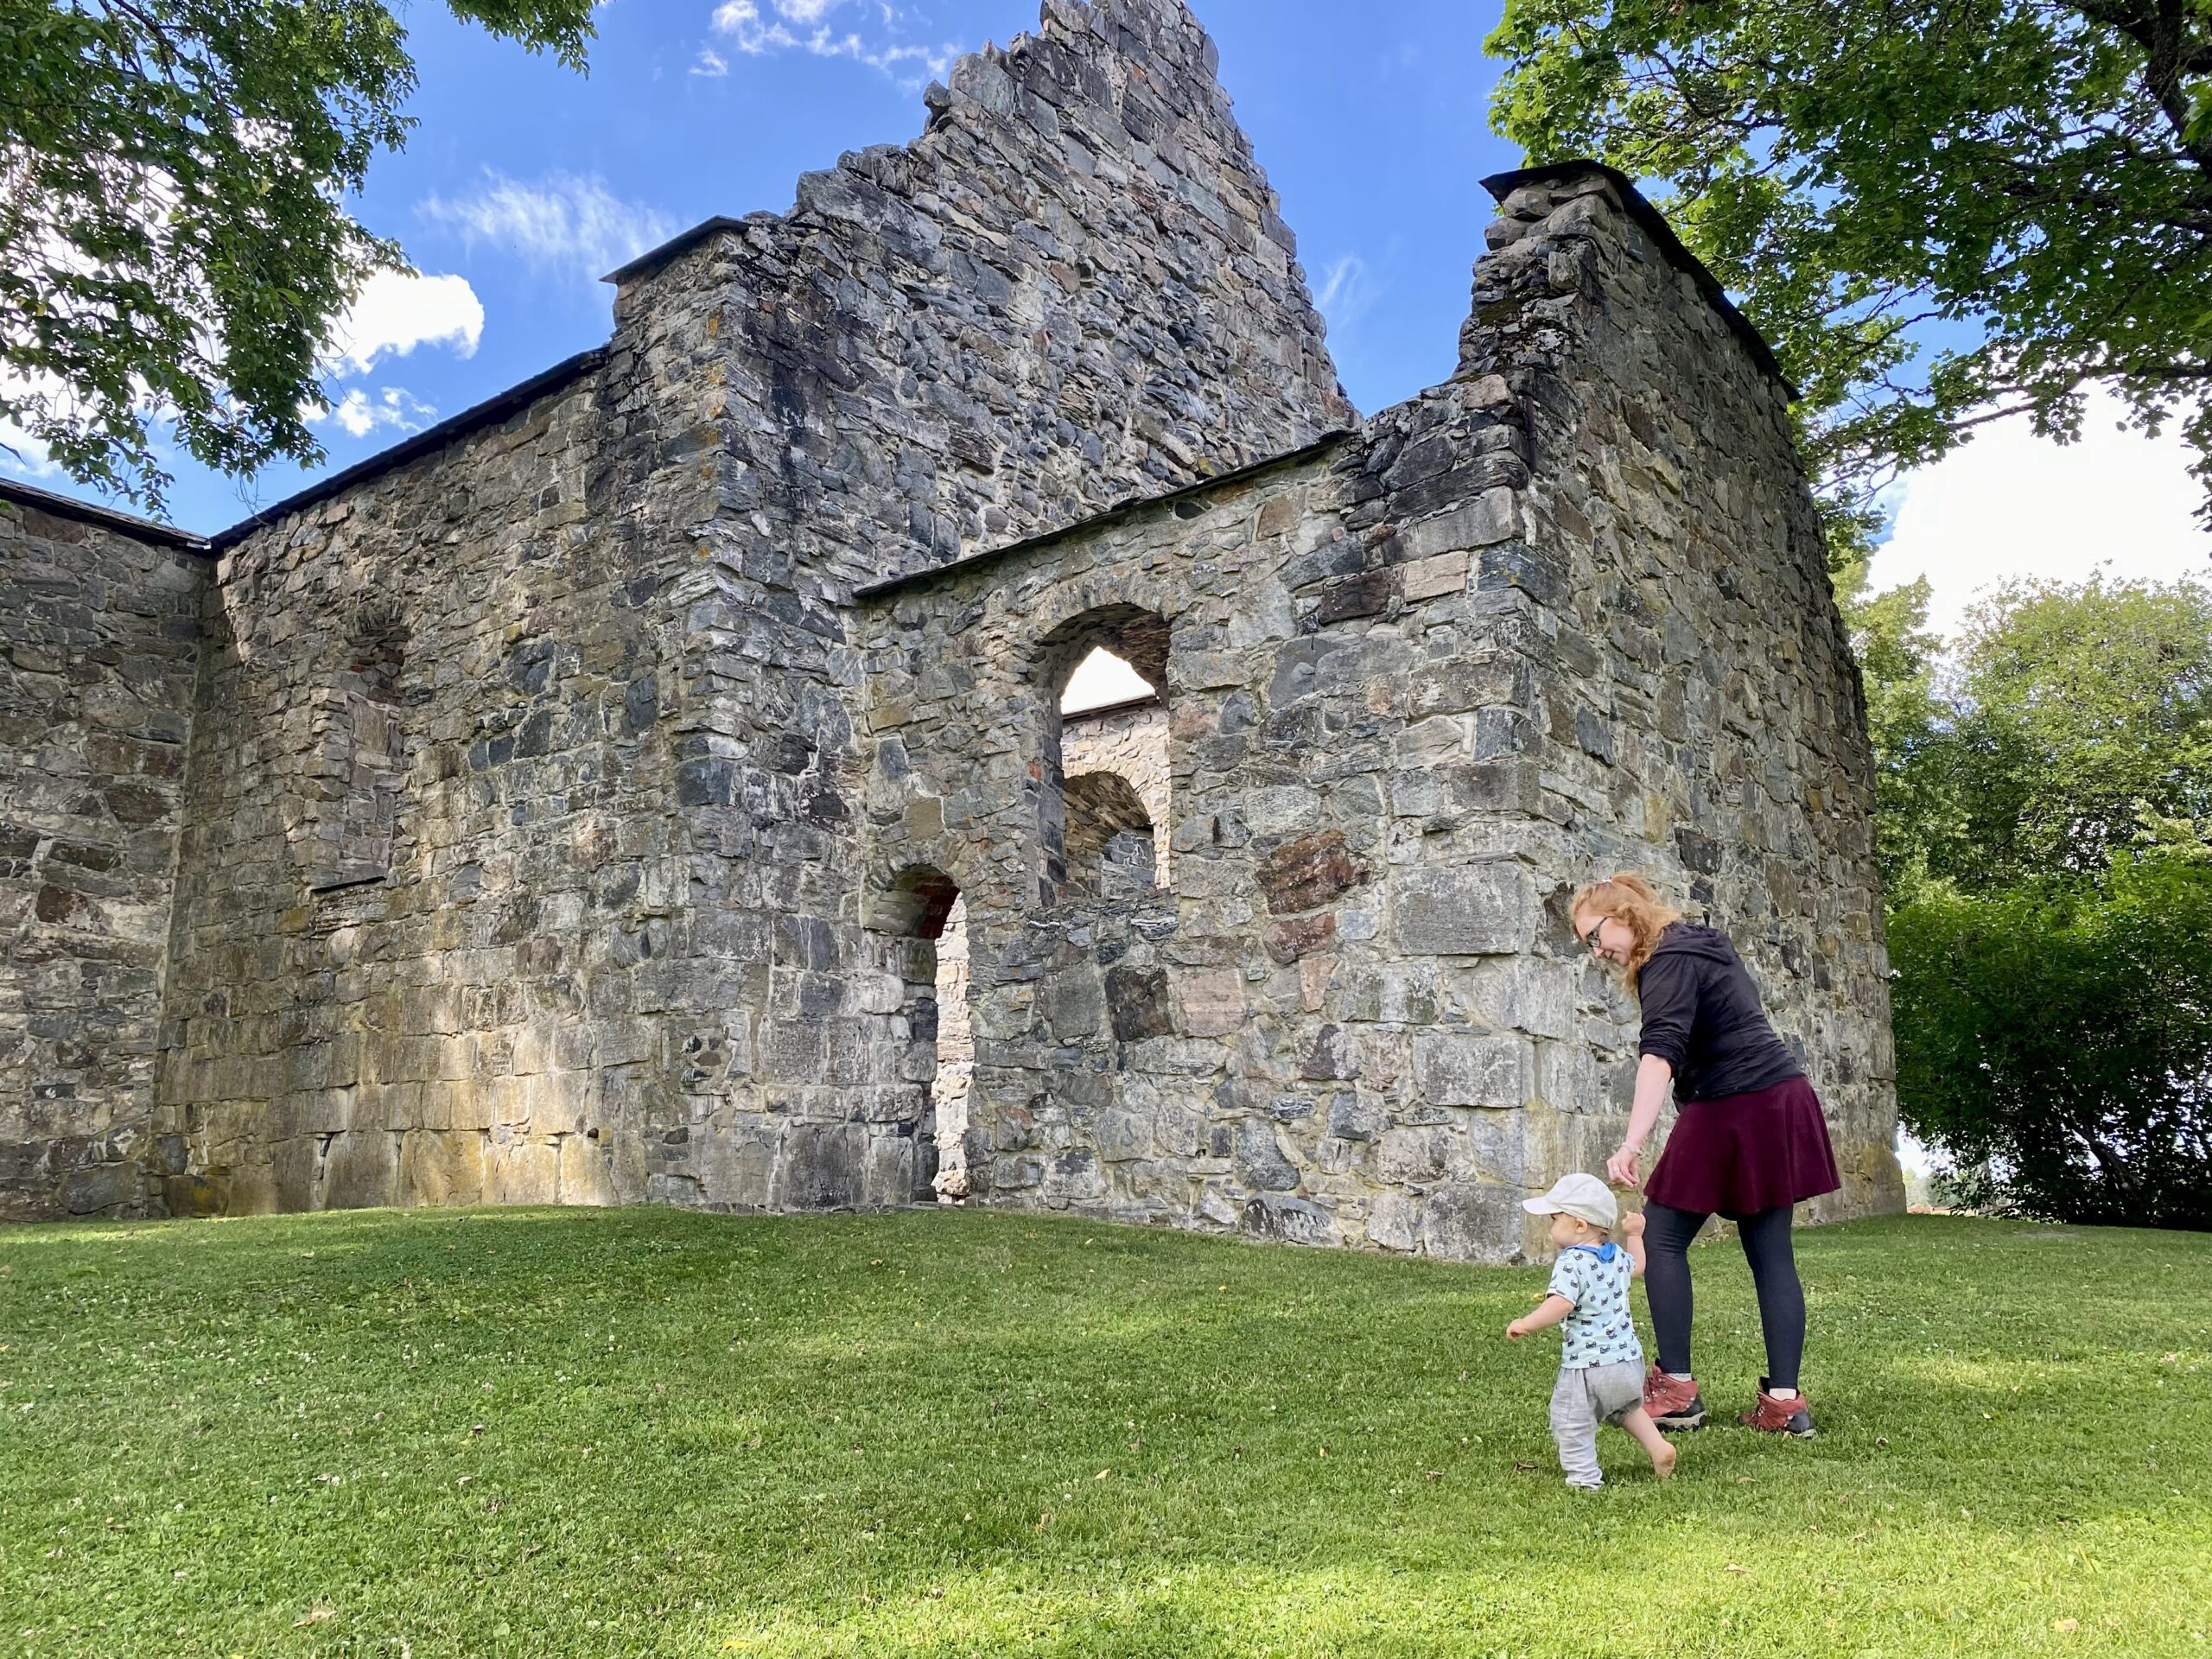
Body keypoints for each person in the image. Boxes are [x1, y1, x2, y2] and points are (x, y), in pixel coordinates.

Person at [1570, 874, 1840, 1439]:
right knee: (1771, 1254)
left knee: (1661, 1234)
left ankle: (1677, 1392)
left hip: (1734, 1102)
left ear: (1623, 913)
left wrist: (1631, 1142)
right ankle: (1785, 1406)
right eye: (1589, 945)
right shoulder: (1702, 941)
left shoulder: (1666, 960)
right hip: (1779, 1095)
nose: (1598, 952)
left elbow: (1659, 1053)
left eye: (1596, 936)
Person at [1506, 1172, 1677, 1489]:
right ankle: (1658, 1447)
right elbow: (1639, 1266)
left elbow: (1561, 1303)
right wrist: (1636, 1235)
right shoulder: (1613, 1258)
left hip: (1588, 1365)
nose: (1550, 1226)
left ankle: (1584, 1480)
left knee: (1571, 1421)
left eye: (1555, 1219)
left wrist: (1526, 1323)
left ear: (1580, 1225)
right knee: (1626, 1407)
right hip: (1628, 1362)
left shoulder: (1572, 1262)